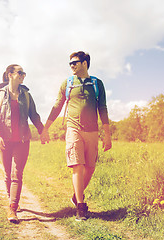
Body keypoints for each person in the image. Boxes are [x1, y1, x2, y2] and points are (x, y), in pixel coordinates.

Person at [41, 51, 112, 221]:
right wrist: (45, 128)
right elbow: (58, 105)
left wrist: (107, 135)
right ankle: (80, 206)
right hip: (73, 129)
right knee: (77, 165)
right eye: (70, 63)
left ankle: (75, 195)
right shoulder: (68, 83)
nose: (72, 65)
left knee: (90, 167)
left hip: (93, 130)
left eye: (75, 62)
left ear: (85, 63)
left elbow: (102, 108)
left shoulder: (97, 83)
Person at [0, 64, 44, 223]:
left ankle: (12, 208)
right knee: (7, 174)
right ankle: (11, 200)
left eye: (24, 73)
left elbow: (34, 115)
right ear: (10, 75)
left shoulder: (26, 95)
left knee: (16, 174)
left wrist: (43, 131)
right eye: (20, 72)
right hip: (5, 141)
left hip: (22, 140)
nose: (23, 75)